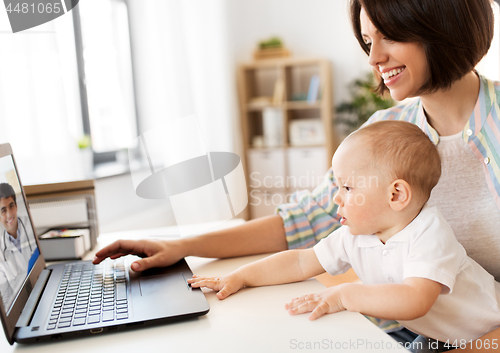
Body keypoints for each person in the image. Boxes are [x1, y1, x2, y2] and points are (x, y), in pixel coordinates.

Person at [93, 0, 500, 349]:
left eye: (389, 35)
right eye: (367, 40)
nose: (373, 58)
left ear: (440, 23)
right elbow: (303, 222)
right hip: (417, 335)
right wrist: (180, 246)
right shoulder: (386, 131)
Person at [187, 120, 500, 352]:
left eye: (348, 188)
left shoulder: (430, 234)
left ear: (396, 195)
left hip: (486, 331)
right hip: (437, 333)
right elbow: (300, 261)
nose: (337, 198)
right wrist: (241, 276)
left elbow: (415, 300)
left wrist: (346, 295)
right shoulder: (357, 234)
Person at [0, 182, 37, 310]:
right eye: (3, 211)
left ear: (16, 206)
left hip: (41, 288)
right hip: (23, 308)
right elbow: (5, 298)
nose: (9, 214)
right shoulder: (0, 250)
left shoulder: (31, 225)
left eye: (11, 206)